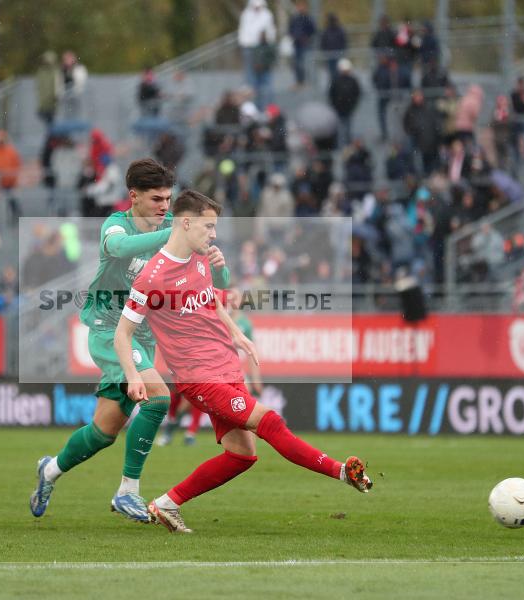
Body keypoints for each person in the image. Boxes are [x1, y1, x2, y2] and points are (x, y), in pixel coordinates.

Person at [114, 190, 371, 533]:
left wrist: (236, 333)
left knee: (241, 455)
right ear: (186, 222)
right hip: (200, 377)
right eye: (208, 226)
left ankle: (167, 503)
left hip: (227, 365)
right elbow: (122, 333)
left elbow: (213, 300)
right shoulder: (151, 277)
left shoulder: (201, 258)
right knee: (271, 423)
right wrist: (133, 376)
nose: (214, 234)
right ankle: (340, 471)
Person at [30, 159, 231, 524]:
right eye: (156, 199)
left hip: (145, 334)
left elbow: (219, 281)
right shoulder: (114, 226)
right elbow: (120, 249)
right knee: (158, 398)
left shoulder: (174, 228)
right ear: (133, 196)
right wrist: (175, 236)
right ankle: (128, 491)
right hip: (110, 331)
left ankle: (50, 470)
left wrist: (218, 264)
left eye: (168, 199)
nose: (164, 207)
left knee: (103, 432)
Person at [159, 287, 262, 447]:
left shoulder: (244, 324)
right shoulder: (216, 314)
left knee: (243, 405)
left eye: (237, 297)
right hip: (208, 366)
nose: (234, 300)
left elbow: (250, 350)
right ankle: (176, 428)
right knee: (185, 402)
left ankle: (188, 433)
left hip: (234, 370)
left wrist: (256, 379)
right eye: (231, 296)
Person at [238, 0, 276, 85]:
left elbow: (270, 31)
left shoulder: (267, 14)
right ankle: (252, 93)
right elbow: (244, 31)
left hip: (262, 48)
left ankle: (265, 94)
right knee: (250, 72)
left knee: (264, 73)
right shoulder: (246, 14)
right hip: (249, 47)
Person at [328, 58, 360, 144]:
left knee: (344, 127)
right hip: (343, 107)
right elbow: (331, 94)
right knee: (343, 127)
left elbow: (331, 94)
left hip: (344, 107)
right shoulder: (349, 80)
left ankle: (344, 143)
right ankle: (344, 143)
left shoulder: (340, 80)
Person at [288, 0, 316, 88]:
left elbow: (313, 30)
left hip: (305, 45)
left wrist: (307, 37)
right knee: (296, 64)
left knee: (304, 63)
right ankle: (299, 81)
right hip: (296, 44)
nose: (300, 8)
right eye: (299, 6)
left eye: (302, 6)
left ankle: (306, 81)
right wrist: (293, 36)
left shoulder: (308, 18)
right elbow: (290, 29)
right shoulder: (294, 18)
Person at [319, 13, 347, 82]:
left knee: (338, 71)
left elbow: (344, 42)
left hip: (338, 54)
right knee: (332, 72)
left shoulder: (340, 30)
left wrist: (342, 52)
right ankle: (334, 86)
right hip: (329, 55)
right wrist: (324, 51)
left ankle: (338, 85)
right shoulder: (326, 31)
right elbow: (323, 42)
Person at [36, 50, 59, 126]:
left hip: (52, 102)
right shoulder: (41, 72)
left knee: (52, 121)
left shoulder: (55, 71)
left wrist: (56, 95)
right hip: (43, 102)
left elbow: (57, 85)